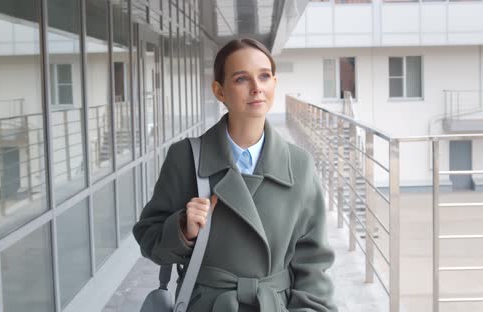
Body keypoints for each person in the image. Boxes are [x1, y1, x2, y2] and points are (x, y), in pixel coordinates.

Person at [133, 38, 337, 312]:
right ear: (219, 90)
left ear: (274, 83)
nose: (256, 88)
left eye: (264, 76)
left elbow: (314, 263)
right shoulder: (186, 158)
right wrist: (183, 229)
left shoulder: (299, 166)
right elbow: (149, 239)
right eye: (242, 79)